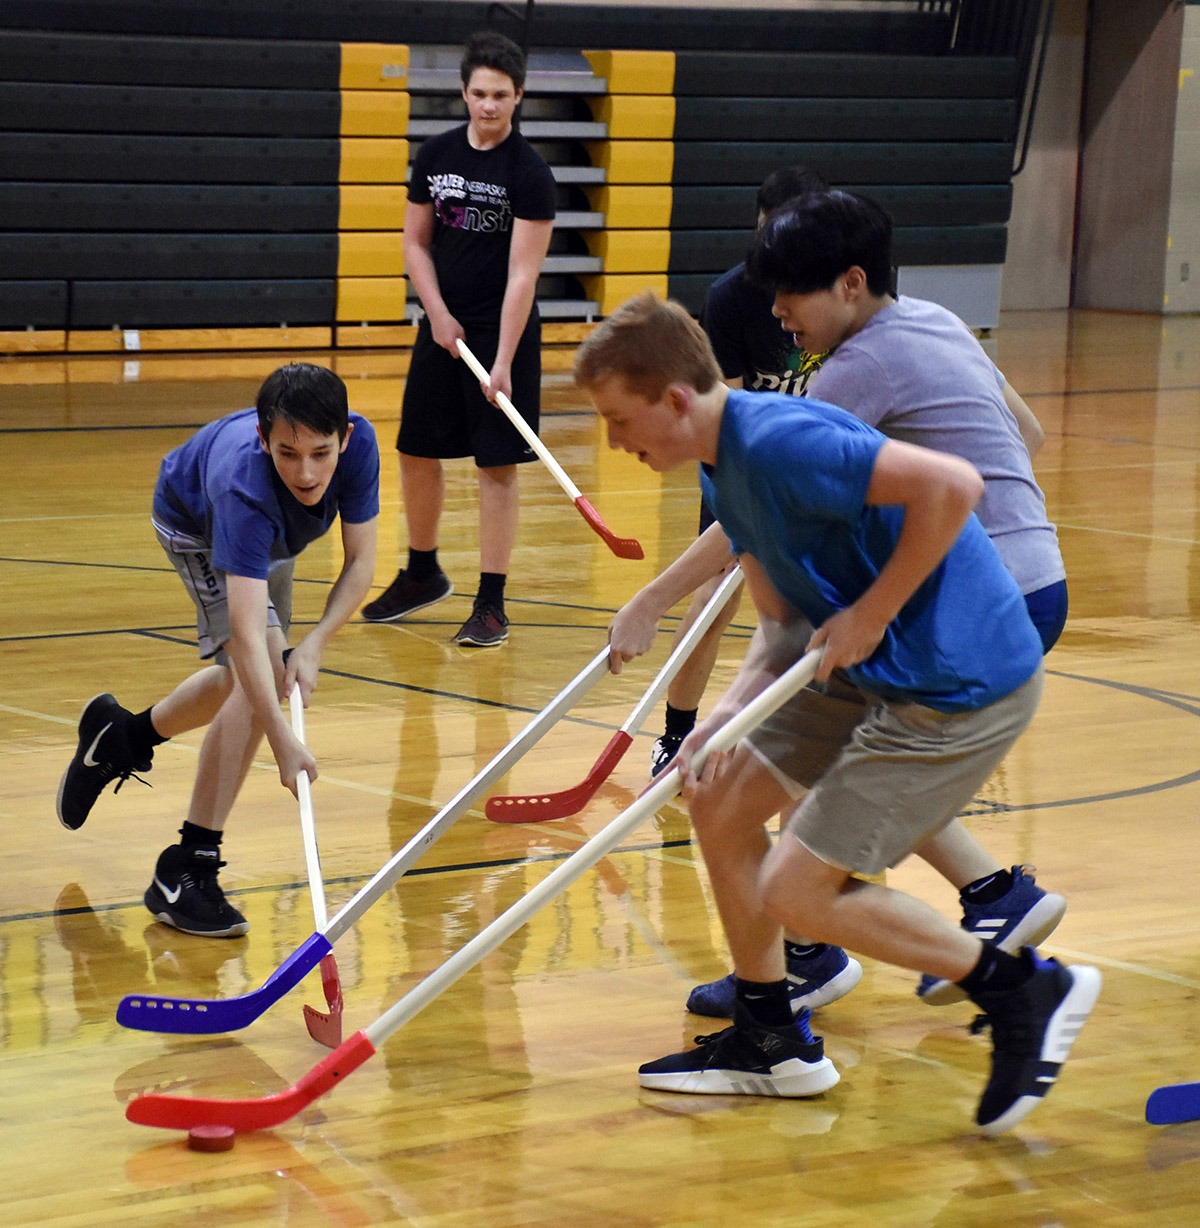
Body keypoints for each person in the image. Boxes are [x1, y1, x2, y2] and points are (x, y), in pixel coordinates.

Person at [576, 292, 1100, 1134]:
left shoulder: (782, 441)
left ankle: (1026, 991)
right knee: (717, 791)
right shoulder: (724, 459)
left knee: (798, 890)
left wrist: (876, 611)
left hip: (954, 680)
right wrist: (726, 718)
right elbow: (781, 617)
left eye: (618, 419)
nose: (614, 441)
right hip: (872, 670)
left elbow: (954, 485)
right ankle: (769, 1037)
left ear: (674, 400)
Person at [610, 189, 1070, 1020]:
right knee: (833, 743)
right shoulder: (931, 319)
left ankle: (831, 942)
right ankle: (982, 898)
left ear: (852, 283)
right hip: (1038, 568)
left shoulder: (859, 369)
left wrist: (651, 597)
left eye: (793, 294)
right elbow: (1026, 435)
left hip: (974, 599)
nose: (778, 312)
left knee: (848, 761)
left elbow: (761, 500)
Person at [56, 363, 380, 938]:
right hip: (195, 523)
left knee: (258, 680)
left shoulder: (361, 447)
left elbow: (361, 564)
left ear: (345, 437)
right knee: (258, 679)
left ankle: (124, 737)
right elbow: (246, 637)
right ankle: (186, 870)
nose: (307, 473)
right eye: (287, 453)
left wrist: (315, 643)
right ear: (263, 440)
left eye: (321, 454)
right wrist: (285, 742)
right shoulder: (242, 488)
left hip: (267, 539)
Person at [360, 30, 557, 648]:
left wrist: (500, 361)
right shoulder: (437, 154)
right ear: (464, 92)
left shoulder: (530, 173)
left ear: (518, 96)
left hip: (506, 335)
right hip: (443, 330)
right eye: (479, 94)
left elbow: (523, 274)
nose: (489, 106)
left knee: (495, 466)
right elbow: (416, 242)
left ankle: (492, 602)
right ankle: (422, 572)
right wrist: (436, 313)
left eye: (501, 95)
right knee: (416, 449)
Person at [647, 164, 830, 779]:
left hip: (830, 466)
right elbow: (727, 416)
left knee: (820, 606)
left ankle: (815, 740)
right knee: (712, 602)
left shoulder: (842, 292)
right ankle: (675, 734)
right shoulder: (732, 298)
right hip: (751, 464)